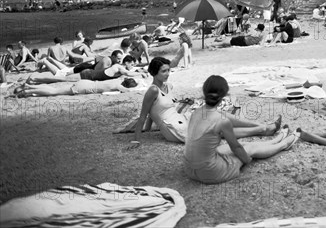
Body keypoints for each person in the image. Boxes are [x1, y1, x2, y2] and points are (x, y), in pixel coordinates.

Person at [131, 61, 283, 146]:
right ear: (154, 73)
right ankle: (264, 129)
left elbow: (155, 110)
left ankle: (258, 125)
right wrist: (137, 139)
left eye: (169, 70)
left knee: (219, 114)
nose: (168, 74)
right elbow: (145, 114)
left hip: (181, 118)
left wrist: (149, 129)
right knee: (217, 130)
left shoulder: (168, 86)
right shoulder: (152, 90)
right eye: (164, 71)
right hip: (173, 128)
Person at [183, 75, 299, 183]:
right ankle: (283, 144)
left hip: (190, 169)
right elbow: (236, 147)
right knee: (248, 147)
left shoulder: (196, 113)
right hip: (211, 172)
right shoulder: (222, 121)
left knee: (239, 145)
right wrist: (247, 160)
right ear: (224, 95)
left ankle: (273, 141)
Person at [13, 76, 141, 98]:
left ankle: (29, 86)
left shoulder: (117, 80)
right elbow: (128, 91)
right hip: (83, 88)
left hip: (85, 82)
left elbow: (125, 80)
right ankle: (28, 90)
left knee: (56, 89)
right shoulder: (118, 86)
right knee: (54, 92)